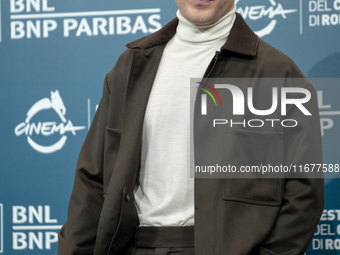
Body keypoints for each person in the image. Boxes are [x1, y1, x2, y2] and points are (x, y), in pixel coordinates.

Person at [58, 0, 324, 254]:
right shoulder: (129, 67)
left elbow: (304, 194)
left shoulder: (279, 74)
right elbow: (92, 180)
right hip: (135, 245)